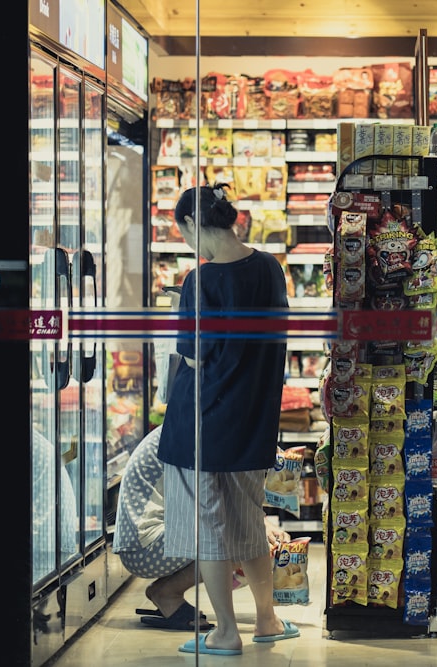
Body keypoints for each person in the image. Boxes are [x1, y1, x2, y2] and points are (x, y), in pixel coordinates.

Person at [156, 183, 297, 655]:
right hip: (252, 420)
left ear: (194, 224)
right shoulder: (271, 268)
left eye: (184, 234)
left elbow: (194, 357)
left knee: (207, 528)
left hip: (202, 423)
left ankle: (224, 632)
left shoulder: (202, 281)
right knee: (248, 521)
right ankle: (267, 619)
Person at [112, 426, 291, 631]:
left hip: (146, 539)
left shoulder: (203, 422)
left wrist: (262, 522)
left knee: (244, 535)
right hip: (143, 547)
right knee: (239, 537)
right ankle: (168, 593)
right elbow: (215, 502)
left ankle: (167, 591)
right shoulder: (203, 432)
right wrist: (259, 524)